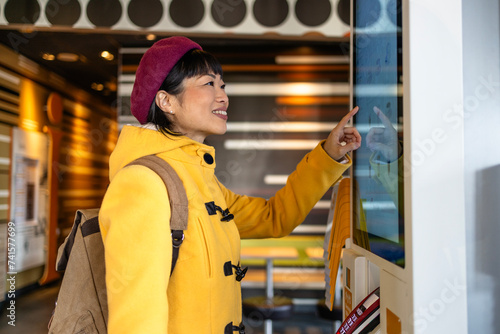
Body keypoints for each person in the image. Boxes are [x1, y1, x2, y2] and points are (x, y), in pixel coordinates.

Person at [99, 36, 361, 334]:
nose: (223, 96)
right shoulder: (143, 183)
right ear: (166, 101)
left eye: (222, 85)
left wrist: (327, 155)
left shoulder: (201, 180)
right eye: (208, 84)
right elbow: (135, 319)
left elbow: (274, 218)